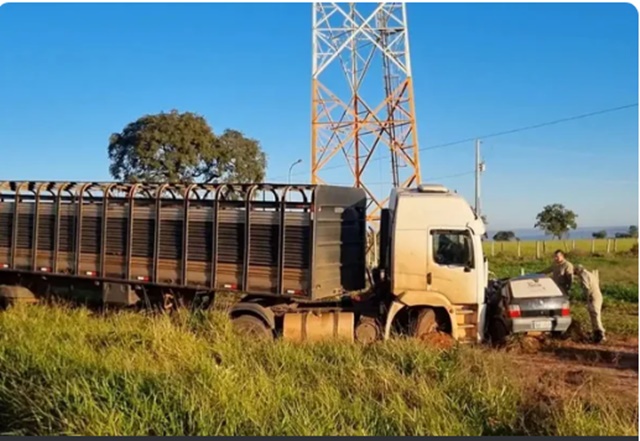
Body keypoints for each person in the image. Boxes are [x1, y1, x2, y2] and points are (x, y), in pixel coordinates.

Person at [574, 264, 606, 343]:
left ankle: (601, 334)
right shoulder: (590, 274)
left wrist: (587, 299)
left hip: (593, 297)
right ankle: (596, 333)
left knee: (595, 315)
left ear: (578, 271)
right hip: (597, 295)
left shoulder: (584, 275)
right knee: (594, 315)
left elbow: (586, 288)